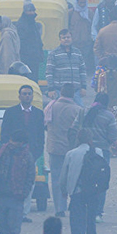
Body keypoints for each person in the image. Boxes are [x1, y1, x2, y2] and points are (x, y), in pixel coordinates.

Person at [69, 93, 117, 223]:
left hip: (84, 150)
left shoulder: (83, 112)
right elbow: (113, 137)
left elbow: (73, 128)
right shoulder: (109, 116)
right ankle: (97, 212)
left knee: (82, 179)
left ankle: (82, 209)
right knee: (101, 182)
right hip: (102, 152)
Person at [1, 84, 44, 222]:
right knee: (13, 180)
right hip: (14, 153)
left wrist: (37, 152)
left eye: (29, 94)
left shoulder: (38, 113)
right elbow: (4, 133)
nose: (27, 96)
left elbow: (40, 135)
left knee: (29, 182)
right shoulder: (11, 112)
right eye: (24, 94)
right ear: (19, 96)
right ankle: (14, 210)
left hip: (31, 153)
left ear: (32, 96)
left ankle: (24, 213)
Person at [60, 129, 104, 234]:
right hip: (93, 192)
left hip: (76, 192)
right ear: (91, 139)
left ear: (78, 139)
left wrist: (64, 191)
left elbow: (63, 176)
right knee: (91, 222)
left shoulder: (71, 154)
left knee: (76, 223)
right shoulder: (98, 152)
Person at [0, 130, 35, 234]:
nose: (10, 143)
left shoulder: (27, 156)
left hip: (17, 197)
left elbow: (30, 177)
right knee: (3, 230)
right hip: (1, 195)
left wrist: (24, 193)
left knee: (14, 231)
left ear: (21, 143)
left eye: (13, 141)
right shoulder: (2, 151)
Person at [45, 83, 83, 217]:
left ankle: (59, 208)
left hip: (54, 147)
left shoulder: (51, 106)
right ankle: (73, 204)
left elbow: (45, 124)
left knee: (56, 178)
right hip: (71, 149)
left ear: (61, 92)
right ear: (73, 94)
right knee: (73, 177)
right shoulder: (77, 109)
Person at [46, 29, 88, 105]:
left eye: (68, 37)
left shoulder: (77, 53)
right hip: (60, 91)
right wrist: (50, 89)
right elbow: (49, 72)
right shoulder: (54, 54)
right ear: (60, 40)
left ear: (71, 38)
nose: (66, 39)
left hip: (76, 91)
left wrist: (84, 87)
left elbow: (83, 71)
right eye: (64, 38)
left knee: (80, 112)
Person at [15, 0, 44, 83]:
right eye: (29, 11)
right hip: (26, 57)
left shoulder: (33, 23)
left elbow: (37, 40)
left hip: (34, 57)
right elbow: (22, 41)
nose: (32, 13)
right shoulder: (22, 24)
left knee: (34, 78)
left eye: (33, 10)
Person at [69, 0, 95, 70]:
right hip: (74, 42)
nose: (82, 5)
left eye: (84, 3)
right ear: (77, 3)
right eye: (80, 3)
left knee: (84, 61)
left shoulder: (90, 13)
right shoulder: (71, 13)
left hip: (86, 43)